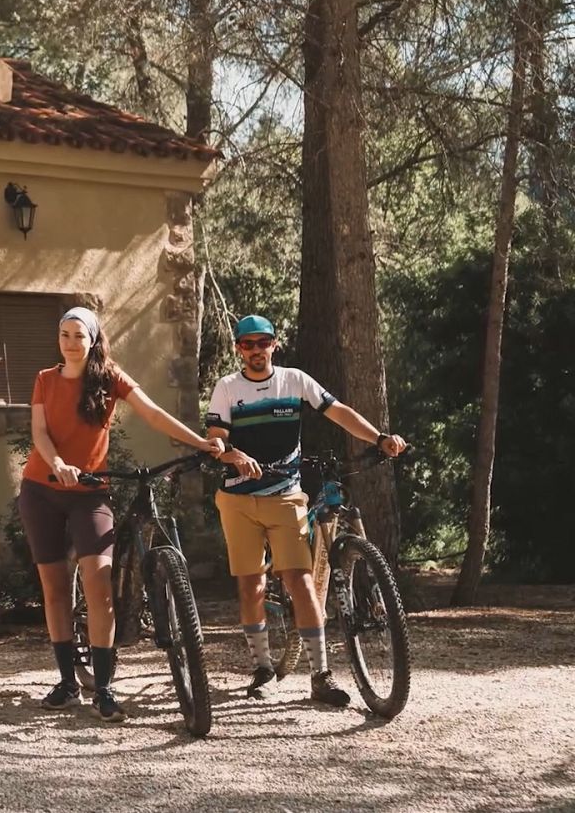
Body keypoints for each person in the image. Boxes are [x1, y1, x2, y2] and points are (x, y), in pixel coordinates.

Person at [22, 307, 224, 723]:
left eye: (78, 335)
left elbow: (152, 413)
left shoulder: (109, 378)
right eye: (63, 334)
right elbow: (39, 433)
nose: (70, 342)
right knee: (55, 589)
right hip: (41, 490)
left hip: (90, 494)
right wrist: (57, 463)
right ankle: (66, 683)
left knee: (99, 588)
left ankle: (105, 689)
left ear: (93, 339)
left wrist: (200, 443)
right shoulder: (45, 379)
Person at [205, 314, 407, 706]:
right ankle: (262, 669)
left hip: (285, 495)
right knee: (252, 585)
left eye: (263, 342)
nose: (256, 350)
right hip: (239, 499)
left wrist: (379, 437)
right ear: (238, 349)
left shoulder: (294, 380)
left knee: (299, 580)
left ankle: (320, 674)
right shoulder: (228, 388)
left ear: (274, 345)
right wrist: (233, 455)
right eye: (248, 344)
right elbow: (215, 440)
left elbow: (338, 411)